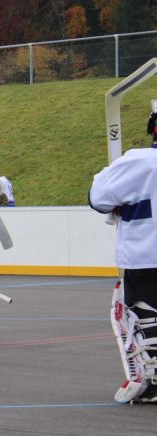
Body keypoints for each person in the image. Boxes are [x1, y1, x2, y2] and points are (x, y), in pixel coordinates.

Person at [89, 109, 157, 402]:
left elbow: (99, 198)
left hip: (146, 253)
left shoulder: (138, 161)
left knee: (145, 317)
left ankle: (152, 380)